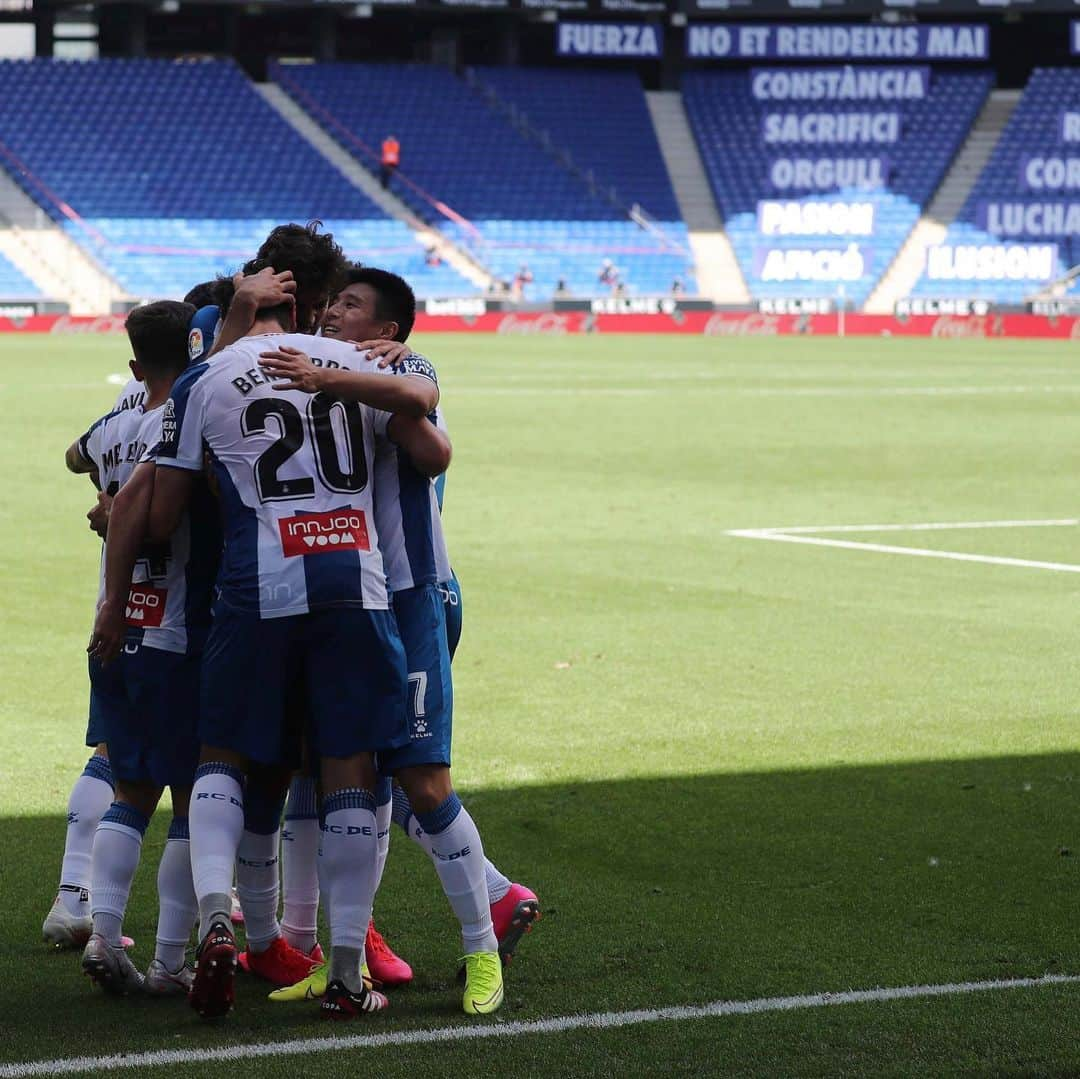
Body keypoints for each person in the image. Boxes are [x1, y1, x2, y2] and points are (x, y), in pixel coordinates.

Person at [266, 267, 537, 1016]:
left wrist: (332, 374)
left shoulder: (399, 364)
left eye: (350, 306)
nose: (333, 312)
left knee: (422, 780)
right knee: (341, 776)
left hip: (414, 593)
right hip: (346, 600)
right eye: (332, 303)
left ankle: (484, 947)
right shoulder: (316, 373)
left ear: (386, 330)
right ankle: (344, 961)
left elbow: (432, 439)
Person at [71, 301, 215, 997]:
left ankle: (102, 930)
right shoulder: (182, 422)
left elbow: (76, 457)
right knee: (191, 799)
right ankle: (167, 962)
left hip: (115, 628)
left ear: (134, 367)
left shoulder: (117, 425)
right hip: (171, 631)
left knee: (129, 789)